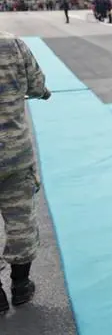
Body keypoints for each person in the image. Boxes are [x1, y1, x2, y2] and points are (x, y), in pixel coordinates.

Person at [0, 32, 51, 314]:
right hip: (14, 154)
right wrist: (41, 93)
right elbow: (37, 84)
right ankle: (20, 285)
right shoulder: (13, 44)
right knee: (20, 220)